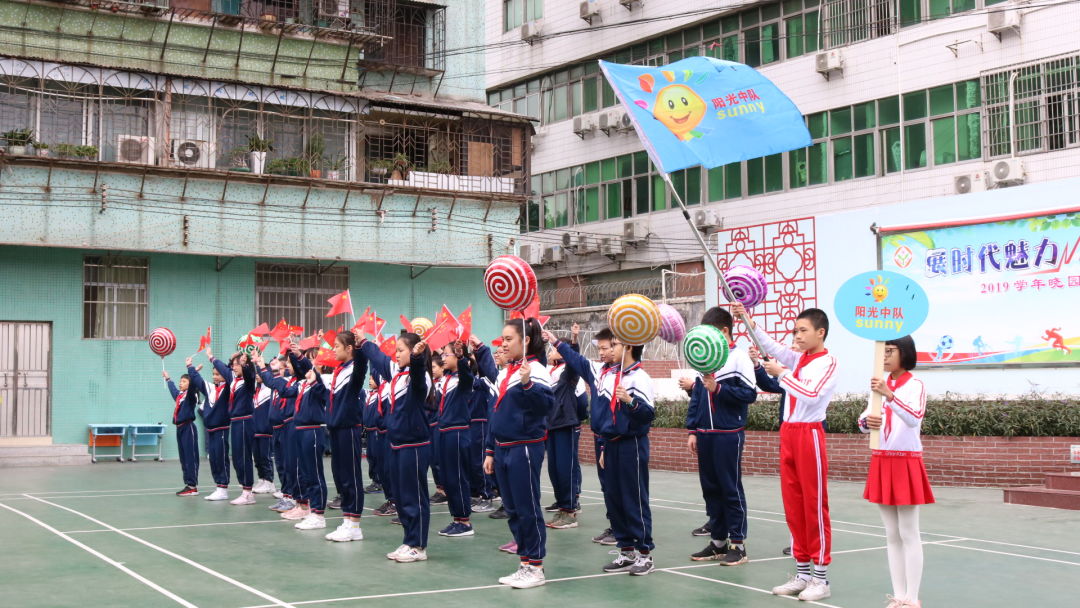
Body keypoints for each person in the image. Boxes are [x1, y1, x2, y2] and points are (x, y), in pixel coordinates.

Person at [733, 302, 839, 602]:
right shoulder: (799, 359)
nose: (798, 335)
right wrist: (748, 321)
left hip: (809, 435)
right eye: (795, 330)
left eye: (803, 330)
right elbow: (772, 346)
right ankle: (802, 572)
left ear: (821, 332)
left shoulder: (827, 362)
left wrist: (782, 374)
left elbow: (810, 393)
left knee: (814, 507)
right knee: (793, 506)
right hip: (789, 434)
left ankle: (821, 578)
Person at [549, 328, 657, 576]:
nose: (607, 350)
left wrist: (631, 402)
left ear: (628, 347)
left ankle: (644, 553)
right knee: (614, 498)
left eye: (614, 345)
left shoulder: (639, 378)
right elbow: (579, 363)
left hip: (631, 445)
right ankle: (626, 551)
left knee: (634, 498)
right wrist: (558, 342)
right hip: (608, 443)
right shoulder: (604, 373)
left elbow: (648, 416)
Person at [858, 336, 933, 608]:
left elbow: (914, 417)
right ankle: (898, 595)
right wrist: (868, 421)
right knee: (891, 533)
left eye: (890, 351)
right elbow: (864, 421)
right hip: (882, 459)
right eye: (882, 352)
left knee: (909, 532)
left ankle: (913, 598)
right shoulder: (879, 384)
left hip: (906, 461)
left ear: (905, 353)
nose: (885, 357)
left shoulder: (915, 385)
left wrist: (889, 396)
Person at [684, 307, 757, 565]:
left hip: (728, 433)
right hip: (705, 434)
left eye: (711, 332)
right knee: (711, 489)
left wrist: (719, 388)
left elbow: (749, 394)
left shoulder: (738, 358)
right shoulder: (706, 358)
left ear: (724, 331)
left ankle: (738, 544)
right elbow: (697, 397)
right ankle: (717, 543)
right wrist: (693, 429)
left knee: (730, 489)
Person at [485, 318, 554, 589]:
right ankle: (524, 562)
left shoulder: (535, 370)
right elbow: (497, 413)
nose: (504, 343)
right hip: (502, 448)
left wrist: (527, 384)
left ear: (525, 341)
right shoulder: (506, 372)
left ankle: (535, 566)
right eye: (503, 338)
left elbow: (546, 406)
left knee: (527, 508)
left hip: (524, 446)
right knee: (513, 509)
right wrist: (490, 450)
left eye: (509, 339)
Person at [362, 332, 434, 563]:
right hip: (396, 442)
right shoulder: (397, 374)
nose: (396, 354)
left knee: (415, 496)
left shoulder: (419, 376)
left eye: (401, 350)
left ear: (413, 352)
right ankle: (408, 539)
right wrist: (363, 341)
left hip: (414, 444)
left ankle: (419, 546)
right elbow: (380, 359)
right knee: (402, 497)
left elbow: (416, 374)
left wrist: (416, 358)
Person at [324, 330, 370, 542]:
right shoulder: (339, 370)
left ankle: (355, 525)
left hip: (348, 428)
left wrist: (361, 347)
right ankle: (346, 520)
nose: (333, 349)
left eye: (337, 346)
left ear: (349, 349)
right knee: (341, 477)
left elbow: (362, 366)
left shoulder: (354, 370)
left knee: (351, 478)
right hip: (335, 429)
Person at [434, 341, 477, 537]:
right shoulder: (446, 379)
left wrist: (461, 358)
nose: (443, 358)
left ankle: (465, 521)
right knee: (449, 478)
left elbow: (468, 376)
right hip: (444, 431)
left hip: (458, 432)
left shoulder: (462, 378)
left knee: (458, 477)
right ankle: (456, 518)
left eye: (446, 355)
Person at [544, 338, 587, 529]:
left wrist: (569, 346)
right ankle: (562, 508)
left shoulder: (567, 373)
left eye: (553, 350)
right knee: (554, 470)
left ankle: (570, 511)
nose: (549, 352)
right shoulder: (548, 372)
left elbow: (574, 360)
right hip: (550, 426)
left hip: (565, 424)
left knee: (565, 468)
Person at [208, 349, 258, 506]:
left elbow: (250, 374)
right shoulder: (233, 379)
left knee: (243, 457)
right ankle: (245, 489)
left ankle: (248, 492)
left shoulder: (248, 382)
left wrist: (247, 366)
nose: (234, 367)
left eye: (237, 365)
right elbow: (223, 369)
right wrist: (212, 357)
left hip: (245, 421)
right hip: (235, 421)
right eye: (233, 365)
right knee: (237, 458)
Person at [254, 352, 298, 513]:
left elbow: (273, 381)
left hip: (287, 426)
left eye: (282, 366)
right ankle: (286, 495)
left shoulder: (288, 381)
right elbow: (269, 380)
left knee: (288, 463)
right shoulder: (277, 382)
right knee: (280, 463)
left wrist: (264, 367)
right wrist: (259, 365)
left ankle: (292, 497)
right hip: (277, 429)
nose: (278, 369)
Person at [163, 357, 203, 496]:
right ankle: (188, 484)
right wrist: (168, 380)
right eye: (180, 381)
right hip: (179, 428)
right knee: (183, 458)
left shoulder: (191, 396)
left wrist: (193, 372)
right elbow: (174, 391)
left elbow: (192, 388)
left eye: (184, 381)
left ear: (190, 383)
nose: (181, 383)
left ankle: (193, 485)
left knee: (191, 457)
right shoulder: (180, 396)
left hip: (188, 428)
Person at [467, 335, 498, 514]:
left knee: (481, 460)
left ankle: (487, 495)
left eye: (472, 359)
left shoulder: (486, 379)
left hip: (481, 422)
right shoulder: (468, 378)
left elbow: (488, 373)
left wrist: (477, 351)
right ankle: (477, 492)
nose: (470, 361)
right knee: (472, 461)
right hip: (470, 422)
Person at [201, 349, 233, 501]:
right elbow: (198, 382)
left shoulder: (228, 388)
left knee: (221, 457)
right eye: (213, 374)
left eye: (217, 374)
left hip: (222, 428)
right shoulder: (212, 390)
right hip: (211, 429)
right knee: (213, 458)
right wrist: (190, 368)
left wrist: (212, 358)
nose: (214, 376)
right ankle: (218, 486)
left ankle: (223, 487)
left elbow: (227, 373)